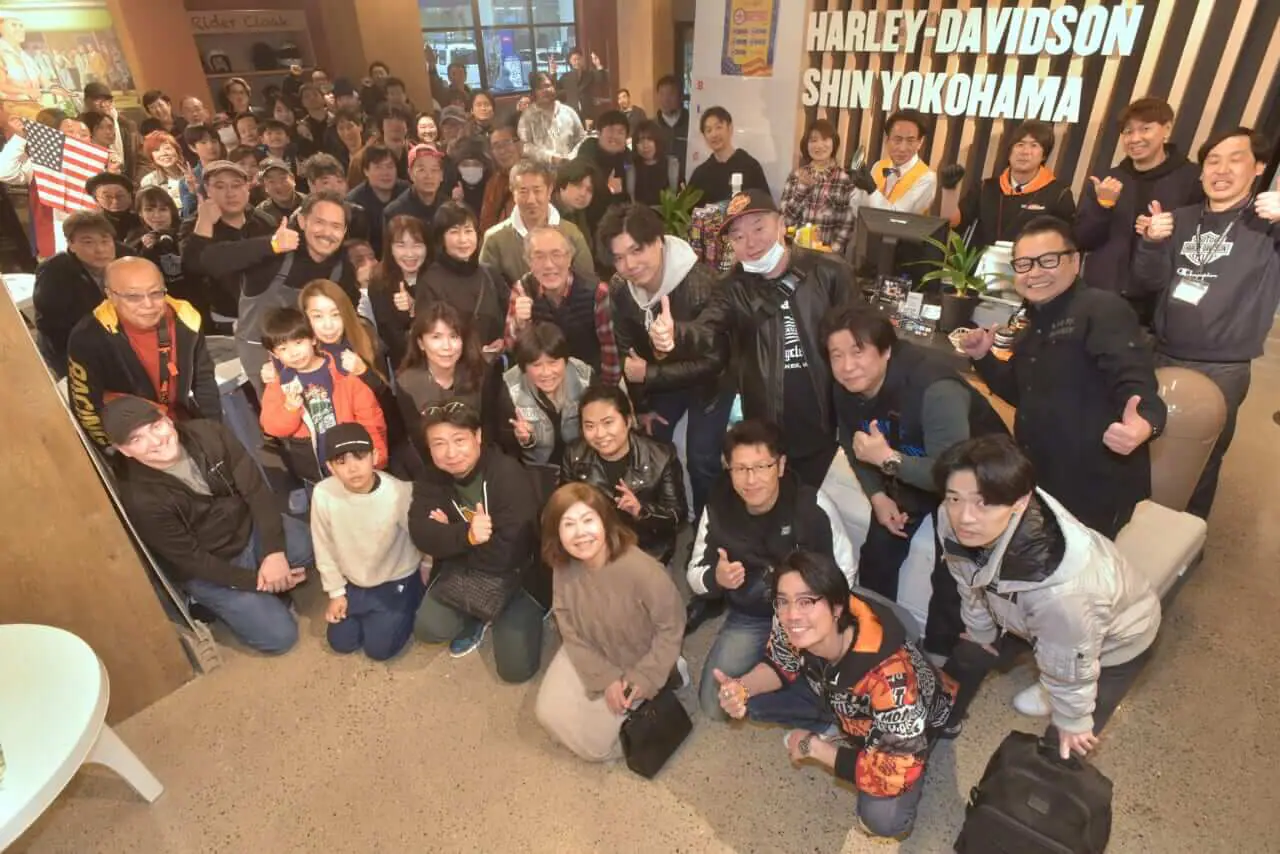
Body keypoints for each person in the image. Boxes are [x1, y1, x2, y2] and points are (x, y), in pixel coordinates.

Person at [936, 434, 1161, 757]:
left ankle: (1050, 744)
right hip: (1029, 613)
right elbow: (970, 581)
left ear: (1020, 502)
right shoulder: (951, 519)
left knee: (1067, 742)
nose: (965, 517)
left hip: (1115, 639)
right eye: (955, 498)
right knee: (971, 652)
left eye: (984, 502)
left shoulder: (1063, 593)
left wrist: (1072, 717)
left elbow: (1070, 658)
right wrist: (980, 631)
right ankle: (937, 722)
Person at [713, 551, 956, 841]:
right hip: (838, 696)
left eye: (807, 601)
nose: (792, 615)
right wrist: (742, 687)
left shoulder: (892, 677)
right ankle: (838, 727)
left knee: (883, 819)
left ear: (837, 607)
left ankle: (849, 737)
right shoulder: (791, 620)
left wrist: (815, 749)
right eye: (783, 601)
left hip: (904, 732)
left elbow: (897, 772)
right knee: (753, 700)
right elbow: (780, 662)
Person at [960, 216, 1166, 537]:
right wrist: (982, 357)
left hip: (1094, 488)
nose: (1034, 272)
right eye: (1024, 264)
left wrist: (1144, 424)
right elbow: (1021, 393)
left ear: (1075, 261)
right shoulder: (1032, 324)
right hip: (1044, 479)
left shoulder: (1102, 309)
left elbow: (1136, 383)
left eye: (1048, 260)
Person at [825, 302, 1007, 656]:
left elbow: (953, 477)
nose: (847, 366)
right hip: (910, 466)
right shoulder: (845, 386)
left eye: (858, 351)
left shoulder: (935, 389)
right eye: (836, 355)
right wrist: (878, 496)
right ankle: (879, 639)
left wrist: (888, 460)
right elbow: (853, 441)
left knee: (953, 571)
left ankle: (938, 656)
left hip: (977, 479)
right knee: (878, 553)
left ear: (886, 350)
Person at [648, 189, 855, 487]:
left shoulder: (829, 272)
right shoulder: (733, 288)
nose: (751, 242)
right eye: (738, 236)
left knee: (810, 497)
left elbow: (858, 333)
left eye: (759, 228)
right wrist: (674, 334)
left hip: (823, 420)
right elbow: (707, 328)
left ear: (781, 224)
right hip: (766, 425)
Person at [1132, 127, 1280, 519]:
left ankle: (1186, 536)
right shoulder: (1181, 219)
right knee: (1147, 442)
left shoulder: (1267, 222)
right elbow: (1148, 281)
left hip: (1223, 367)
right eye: (1213, 161)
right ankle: (1139, 524)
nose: (1221, 169)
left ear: (1259, 167)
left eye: (1235, 159)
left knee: (1201, 457)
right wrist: (1151, 242)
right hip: (1164, 353)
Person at [108, 396, 311, 655]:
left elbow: (257, 491)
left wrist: (274, 552)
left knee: (309, 546)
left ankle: (268, 580)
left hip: (246, 530)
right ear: (124, 450)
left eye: (155, 427)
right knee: (279, 637)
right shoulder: (139, 498)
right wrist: (256, 582)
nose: (156, 441)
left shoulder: (209, 434)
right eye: (137, 439)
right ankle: (211, 601)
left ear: (167, 419)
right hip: (209, 567)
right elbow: (191, 560)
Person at [689, 418, 855, 715]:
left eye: (761, 466)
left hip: (808, 612)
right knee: (716, 706)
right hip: (751, 614)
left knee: (836, 695)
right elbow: (694, 574)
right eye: (740, 469)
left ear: (780, 466)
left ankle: (793, 673)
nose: (751, 479)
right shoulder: (717, 508)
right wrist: (716, 578)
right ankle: (776, 667)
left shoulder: (812, 506)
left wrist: (823, 618)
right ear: (728, 469)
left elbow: (846, 569)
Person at [534, 481, 686, 762]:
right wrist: (605, 677)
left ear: (605, 521)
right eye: (568, 525)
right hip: (589, 648)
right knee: (546, 713)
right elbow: (566, 622)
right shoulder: (563, 565)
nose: (580, 533)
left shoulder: (643, 570)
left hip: (636, 658)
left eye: (588, 520)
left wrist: (643, 676)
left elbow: (672, 627)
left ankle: (671, 671)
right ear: (557, 533)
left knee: (596, 748)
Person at [601, 203, 731, 516]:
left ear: (659, 241)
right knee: (647, 440)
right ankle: (661, 517)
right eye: (619, 257)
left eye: (637, 250)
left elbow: (718, 361)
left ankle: (708, 526)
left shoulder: (702, 284)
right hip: (662, 379)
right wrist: (642, 406)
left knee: (701, 457)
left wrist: (650, 374)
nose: (630, 265)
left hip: (710, 382)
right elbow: (626, 351)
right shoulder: (620, 288)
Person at [409, 401, 545, 679]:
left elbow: (510, 552)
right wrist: (467, 535)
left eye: (459, 440)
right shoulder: (430, 477)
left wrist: (449, 538)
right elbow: (421, 535)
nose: (450, 453)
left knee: (515, 670)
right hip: (469, 572)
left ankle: (505, 612)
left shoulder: (507, 473)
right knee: (428, 629)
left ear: (478, 436)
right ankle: (478, 614)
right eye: (439, 444)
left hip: (519, 575)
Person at [194, 187, 358, 389]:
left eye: (336, 226)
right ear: (302, 221)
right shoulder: (275, 256)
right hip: (264, 360)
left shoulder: (342, 268)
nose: (327, 232)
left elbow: (351, 315)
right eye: (319, 222)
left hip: (315, 357)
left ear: (344, 231)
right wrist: (270, 245)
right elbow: (207, 260)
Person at [66, 256, 218, 447]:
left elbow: (204, 380)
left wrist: (213, 430)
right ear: (110, 295)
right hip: (138, 442)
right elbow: (86, 409)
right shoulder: (89, 337)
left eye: (156, 293)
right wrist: (115, 451)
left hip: (182, 427)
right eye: (133, 297)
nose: (148, 304)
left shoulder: (185, 318)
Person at [1074, 97, 1201, 325]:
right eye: (1128, 132)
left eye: (1145, 129)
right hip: (1105, 299)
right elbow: (1082, 239)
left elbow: (1199, 242)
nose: (1135, 138)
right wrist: (1103, 206)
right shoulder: (1107, 180)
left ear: (1167, 129)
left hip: (1161, 303)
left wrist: (1162, 232)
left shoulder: (1192, 179)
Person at [313, 422, 425, 661]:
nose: (353, 468)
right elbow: (323, 545)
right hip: (355, 580)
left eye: (360, 456)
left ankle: (413, 597)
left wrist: (426, 566)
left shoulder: (399, 492)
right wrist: (336, 592)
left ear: (375, 455)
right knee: (341, 642)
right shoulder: (323, 493)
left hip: (395, 577)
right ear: (330, 467)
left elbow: (423, 536)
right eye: (341, 462)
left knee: (379, 650)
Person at [259, 306, 387, 484]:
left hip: (355, 462)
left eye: (298, 342)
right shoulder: (280, 384)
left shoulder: (343, 372)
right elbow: (272, 427)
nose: (294, 353)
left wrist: (377, 459)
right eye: (283, 348)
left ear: (313, 339)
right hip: (316, 473)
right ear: (274, 354)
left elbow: (371, 417)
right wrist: (290, 409)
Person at [561, 384, 686, 564]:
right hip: (595, 545)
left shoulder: (661, 456)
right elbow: (565, 505)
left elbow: (677, 515)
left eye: (608, 423)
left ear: (628, 421)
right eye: (590, 426)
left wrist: (641, 511)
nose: (599, 434)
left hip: (645, 548)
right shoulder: (574, 454)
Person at [503, 225, 619, 385]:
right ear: (529, 262)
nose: (549, 265)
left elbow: (610, 354)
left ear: (569, 258)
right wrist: (519, 323)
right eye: (539, 256)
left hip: (588, 383)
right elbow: (510, 348)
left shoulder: (598, 292)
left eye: (556, 254)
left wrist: (605, 392)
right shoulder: (523, 289)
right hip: (542, 383)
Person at [944, 119, 1076, 250]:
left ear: (1044, 156)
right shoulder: (986, 188)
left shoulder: (1059, 194)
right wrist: (949, 189)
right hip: (983, 262)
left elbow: (1066, 242)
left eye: (1034, 145)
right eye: (1020, 144)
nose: (1025, 151)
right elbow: (953, 222)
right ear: (1009, 152)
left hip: (1030, 263)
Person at [178, 159, 278, 330]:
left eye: (236, 185)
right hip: (223, 322)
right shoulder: (193, 225)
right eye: (220, 186)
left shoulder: (264, 220)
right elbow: (193, 267)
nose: (230, 193)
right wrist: (205, 222)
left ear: (247, 188)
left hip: (269, 317)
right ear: (207, 190)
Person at [395, 301, 495, 467]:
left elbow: (490, 429)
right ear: (421, 343)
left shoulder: (481, 373)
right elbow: (417, 439)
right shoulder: (407, 383)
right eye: (436, 337)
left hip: (480, 461)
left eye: (454, 337)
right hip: (435, 465)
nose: (447, 346)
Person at [34, 210, 130, 374]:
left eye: (105, 240)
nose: (100, 249)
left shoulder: (127, 258)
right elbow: (51, 326)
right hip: (69, 346)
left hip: (117, 340)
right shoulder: (54, 271)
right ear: (71, 245)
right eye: (88, 242)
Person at [479, 159, 595, 285]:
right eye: (523, 191)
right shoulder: (495, 239)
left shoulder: (571, 233)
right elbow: (487, 288)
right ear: (513, 193)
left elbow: (587, 283)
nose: (531, 200)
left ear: (549, 190)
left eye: (537, 190)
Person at [497, 322, 597, 467]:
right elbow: (506, 449)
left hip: (582, 465)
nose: (546, 373)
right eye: (537, 365)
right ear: (524, 367)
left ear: (565, 360)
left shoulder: (585, 377)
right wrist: (525, 440)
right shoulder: (510, 388)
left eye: (553, 362)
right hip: (535, 470)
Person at [418, 202, 508, 349]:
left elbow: (509, 318)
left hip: (492, 360)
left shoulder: (490, 275)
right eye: (454, 232)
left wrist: (503, 340)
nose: (463, 239)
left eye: (468, 231)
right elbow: (429, 333)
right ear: (441, 238)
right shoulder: (430, 281)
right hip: (450, 360)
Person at [779, 119, 856, 254]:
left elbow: (847, 224)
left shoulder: (844, 180)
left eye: (825, 139)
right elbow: (785, 220)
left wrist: (833, 250)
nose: (819, 145)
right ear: (806, 145)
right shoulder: (796, 176)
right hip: (796, 252)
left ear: (834, 142)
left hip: (827, 255)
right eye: (813, 140)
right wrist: (801, 190)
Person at [848, 109, 938, 219]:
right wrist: (858, 186)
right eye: (897, 139)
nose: (902, 148)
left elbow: (896, 218)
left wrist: (872, 190)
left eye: (910, 141)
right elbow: (857, 210)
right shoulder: (878, 166)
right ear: (887, 140)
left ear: (920, 142)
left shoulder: (927, 178)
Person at [368, 214, 429, 368]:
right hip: (405, 365)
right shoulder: (379, 283)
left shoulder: (436, 277)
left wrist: (415, 308)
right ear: (390, 248)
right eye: (401, 246)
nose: (410, 254)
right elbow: (391, 339)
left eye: (417, 245)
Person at [687, 107, 770, 204]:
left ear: (730, 129)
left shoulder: (750, 166)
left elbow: (765, 205)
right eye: (708, 130)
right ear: (704, 137)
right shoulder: (700, 174)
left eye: (718, 127)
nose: (714, 134)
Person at [127, 186, 188, 305]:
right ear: (140, 213)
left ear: (171, 210)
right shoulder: (135, 237)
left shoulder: (186, 231)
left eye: (163, 209)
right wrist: (146, 249)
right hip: (152, 302)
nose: (157, 215)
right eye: (149, 210)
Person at [347, 143, 409, 257]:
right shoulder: (354, 201)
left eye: (390, 166)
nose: (386, 173)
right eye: (378, 167)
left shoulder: (407, 192)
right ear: (366, 171)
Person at [296, 152, 370, 243]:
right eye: (326, 182)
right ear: (311, 185)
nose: (335, 188)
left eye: (339, 181)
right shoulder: (300, 218)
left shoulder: (357, 215)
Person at [519, 71, 585, 165]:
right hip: (540, 170)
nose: (545, 90)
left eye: (548, 86)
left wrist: (571, 158)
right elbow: (525, 146)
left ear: (554, 88)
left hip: (570, 167)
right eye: (540, 88)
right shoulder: (527, 117)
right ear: (534, 92)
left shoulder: (569, 112)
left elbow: (581, 139)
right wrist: (551, 158)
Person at [83, 81, 139, 180]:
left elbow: (140, 159)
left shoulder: (127, 126)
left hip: (128, 181)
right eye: (98, 100)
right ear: (87, 102)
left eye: (107, 100)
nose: (103, 105)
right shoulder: (81, 127)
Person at [383, 144, 446, 226]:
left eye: (434, 170)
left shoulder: (449, 209)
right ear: (410, 174)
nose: (429, 176)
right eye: (421, 170)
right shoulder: (395, 212)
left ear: (441, 175)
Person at [479, 117, 523, 232]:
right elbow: (486, 225)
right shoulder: (493, 183)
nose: (502, 151)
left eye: (507, 143)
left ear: (519, 144)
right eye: (496, 146)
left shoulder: (536, 176)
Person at [629, 120, 680, 207]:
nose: (645, 146)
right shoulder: (630, 167)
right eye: (640, 141)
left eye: (649, 139)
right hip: (638, 214)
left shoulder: (672, 165)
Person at [85, 171, 140, 241]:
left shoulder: (144, 221)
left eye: (120, 195)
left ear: (129, 196)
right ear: (96, 200)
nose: (115, 201)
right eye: (107, 197)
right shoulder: (90, 226)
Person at [138, 131, 187, 208]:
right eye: (157, 150)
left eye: (167, 148)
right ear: (151, 157)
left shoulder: (193, 174)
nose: (164, 153)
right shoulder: (149, 181)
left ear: (177, 151)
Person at [653, 75, 690, 176]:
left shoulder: (692, 124)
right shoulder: (651, 127)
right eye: (662, 94)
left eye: (671, 94)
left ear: (680, 97)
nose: (666, 99)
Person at [556, 47, 605, 120]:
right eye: (574, 59)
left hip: (588, 112)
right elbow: (557, 91)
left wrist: (598, 65)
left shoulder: (589, 74)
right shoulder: (565, 77)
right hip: (571, 112)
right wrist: (553, 72)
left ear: (582, 59)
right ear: (570, 61)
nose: (577, 62)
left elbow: (600, 80)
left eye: (579, 59)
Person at [255, 157, 302, 225]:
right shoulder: (260, 214)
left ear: (293, 178)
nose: (279, 186)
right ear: (265, 187)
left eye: (283, 178)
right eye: (271, 181)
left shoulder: (309, 204)